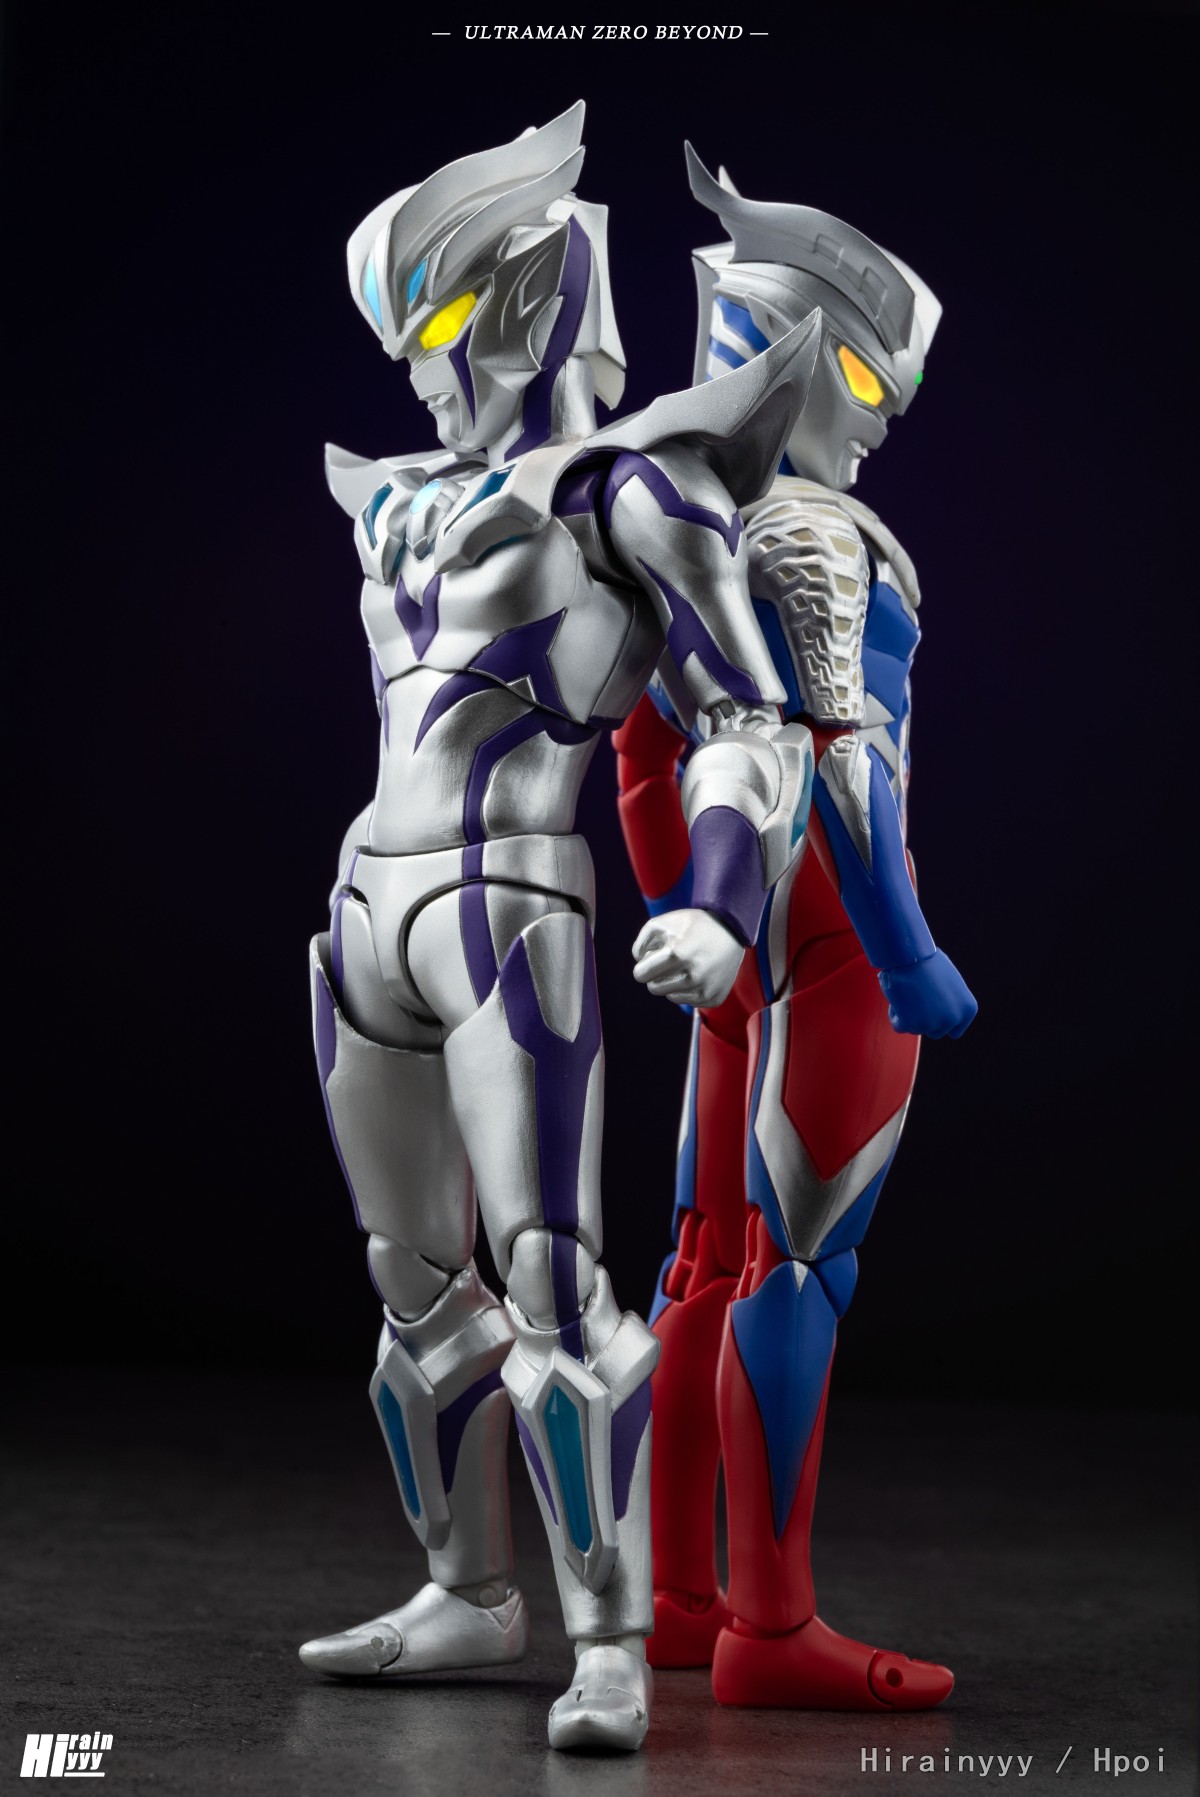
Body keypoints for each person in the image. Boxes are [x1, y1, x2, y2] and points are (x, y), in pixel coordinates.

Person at [299, 106, 818, 1752]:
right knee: (411, 1279)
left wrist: (721, 904)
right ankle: (467, 1589)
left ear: (528, 295)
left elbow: (749, 717)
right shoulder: (403, 498)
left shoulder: (633, 490)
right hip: (366, 913)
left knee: (550, 1283)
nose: (422, 375)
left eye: (439, 326)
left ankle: (605, 1639)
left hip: (509, 909)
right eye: (405, 343)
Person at [614, 147, 977, 1709]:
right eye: (868, 379)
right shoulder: (819, 536)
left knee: (704, 1260)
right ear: (803, 352)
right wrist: (902, 950)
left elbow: (644, 760)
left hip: (741, 953)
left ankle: (678, 1602)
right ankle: (768, 1631)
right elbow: (849, 765)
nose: (880, 416)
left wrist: (690, 913)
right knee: (793, 1272)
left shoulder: (680, 530)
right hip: (825, 951)